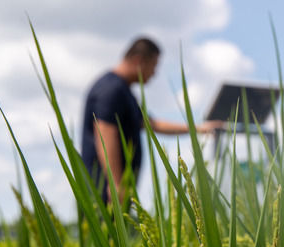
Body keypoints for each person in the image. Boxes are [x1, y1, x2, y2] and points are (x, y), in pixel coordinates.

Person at [81, 37, 222, 204]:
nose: (154, 74)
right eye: (154, 66)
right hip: (103, 189)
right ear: (139, 60)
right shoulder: (111, 90)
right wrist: (116, 184)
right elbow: (105, 133)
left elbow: (150, 123)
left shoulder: (124, 92)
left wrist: (198, 128)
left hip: (118, 187)